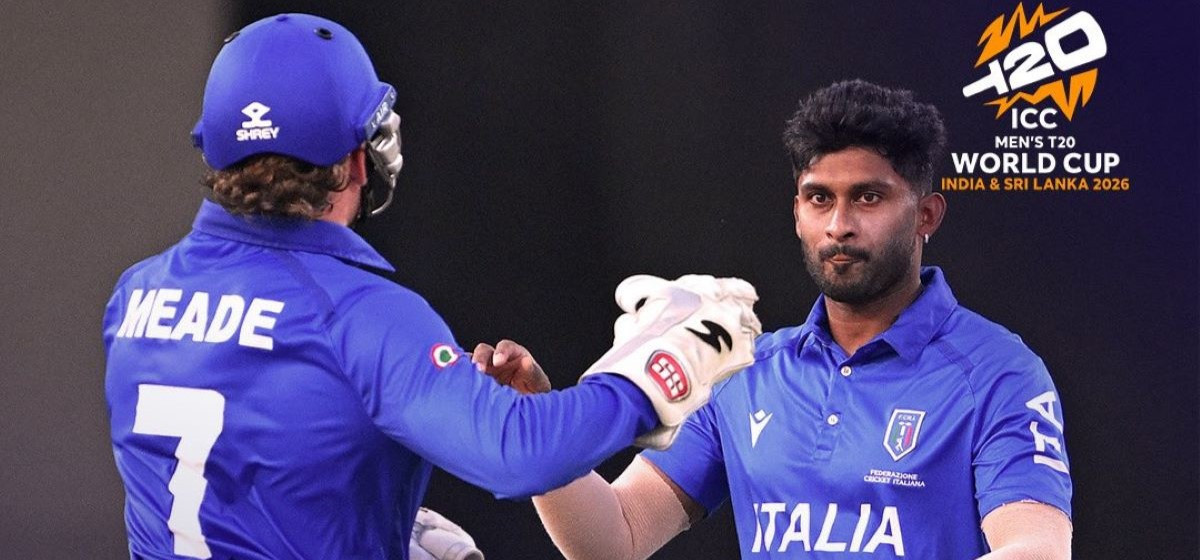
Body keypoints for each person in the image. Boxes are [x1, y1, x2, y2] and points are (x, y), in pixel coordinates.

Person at [102, 13, 762, 560]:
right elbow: (520, 455)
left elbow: (242, 465)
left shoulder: (134, 297)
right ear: (358, 158)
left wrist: (359, 516)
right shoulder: (360, 315)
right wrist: (653, 374)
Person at [526, 80, 1073, 559]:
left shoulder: (999, 372)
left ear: (926, 215)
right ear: (796, 213)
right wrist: (534, 426)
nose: (839, 225)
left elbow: (1038, 550)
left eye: (868, 198)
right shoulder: (743, 372)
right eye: (819, 199)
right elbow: (617, 537)